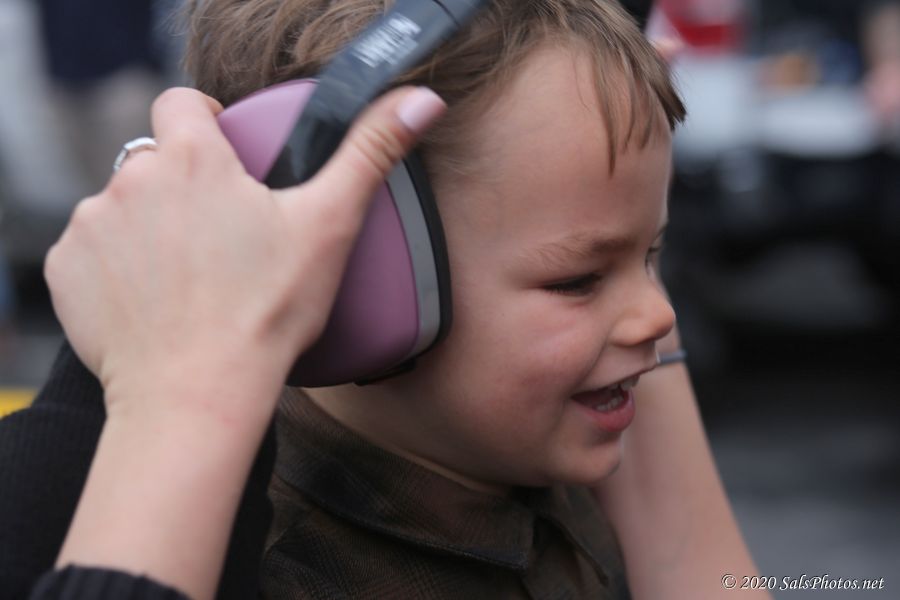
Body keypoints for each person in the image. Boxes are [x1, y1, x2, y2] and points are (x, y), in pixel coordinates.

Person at [0, 1, 769, 598]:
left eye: (651, 255)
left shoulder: (535, 450)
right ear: (357, 271)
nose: (659, 317)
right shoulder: (276, 571)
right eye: (578, 280)